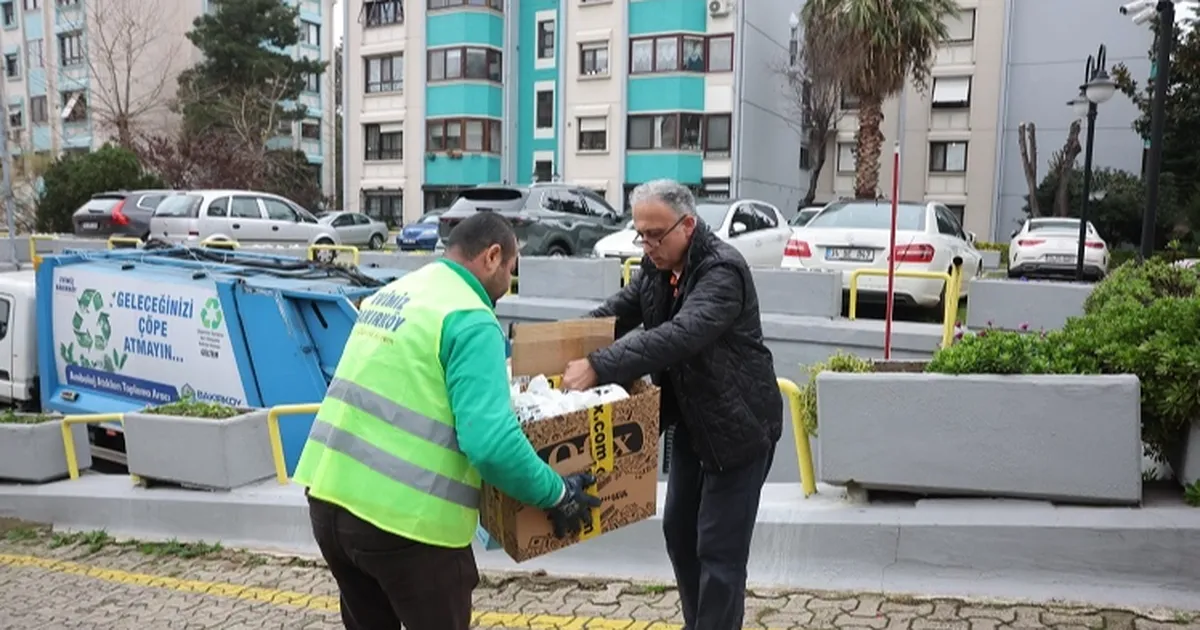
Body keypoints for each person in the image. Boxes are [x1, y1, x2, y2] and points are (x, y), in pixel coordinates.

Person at [292, 211, 601, 630]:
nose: (509, 285)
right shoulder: (472, 318)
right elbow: (491, 444)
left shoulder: (394, 294)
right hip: (408, 527)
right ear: (493, 257)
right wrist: (557, 493)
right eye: (512, 269)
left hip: (330, 503)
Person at [561, 179, 782, 630]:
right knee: (680, 534)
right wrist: (556, 345)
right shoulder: (657, 267)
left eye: (656, 235)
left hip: (739, 429)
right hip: (693, 427)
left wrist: (599, 366)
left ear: (688, 224)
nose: (647, 245)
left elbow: (679, 336)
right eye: (640, 234)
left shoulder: (723, 271)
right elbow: (617, 313)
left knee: (719, 552)